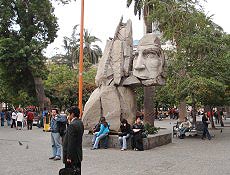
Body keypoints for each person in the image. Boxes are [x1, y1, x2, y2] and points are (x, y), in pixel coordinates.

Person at [62, 106, 84, 175]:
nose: (68, 116)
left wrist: (69, 157)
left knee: (70, 172)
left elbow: (71, 142)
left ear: (72, 114)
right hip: (78, 154)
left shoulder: (72, 125)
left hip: (72, 156)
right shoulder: (80, 123)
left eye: (69, 114)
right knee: (77, 171)